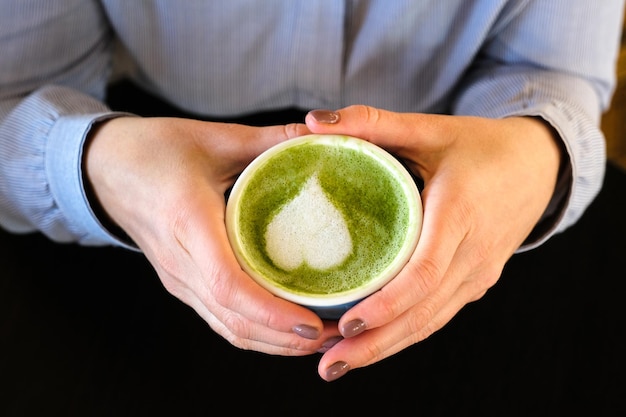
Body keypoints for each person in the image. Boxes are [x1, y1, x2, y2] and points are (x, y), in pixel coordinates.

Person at [0, 1, 623, 382]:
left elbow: (552, 70)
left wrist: (537, 154)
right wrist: (97, 164)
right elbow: (16, 99)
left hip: (460, 204)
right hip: (142, 191)